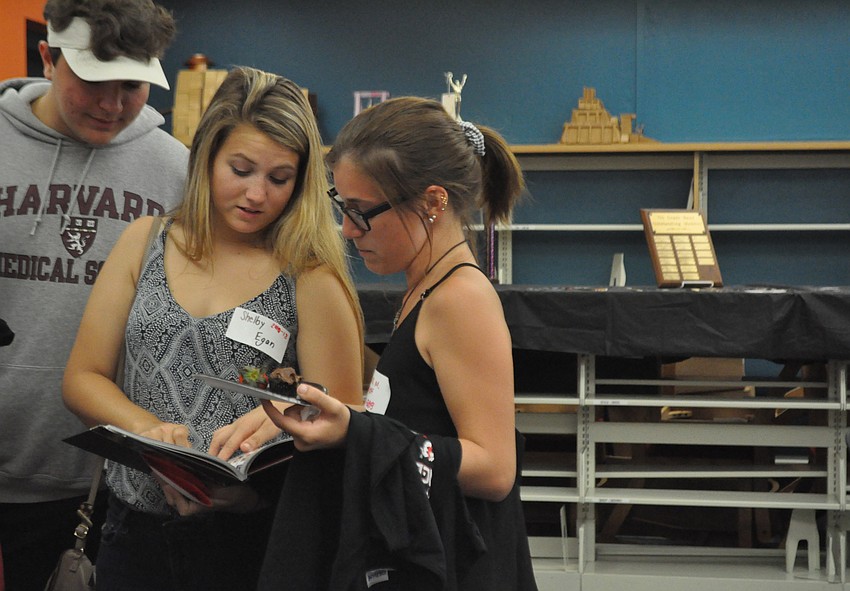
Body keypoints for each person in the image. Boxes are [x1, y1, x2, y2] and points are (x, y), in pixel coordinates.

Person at [62, 65, 364, 591]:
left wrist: (280, 422)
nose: (256, 195)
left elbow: (348, 412)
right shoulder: (145, 241)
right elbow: (83, 377)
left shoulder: (309, 272)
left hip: (255, 535)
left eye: (278, 178)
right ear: (205, 158)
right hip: (133, 532)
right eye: (240, 169)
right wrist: (149, 431)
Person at [258, 97, 538, 590]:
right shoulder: (424, 286)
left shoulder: (460, 300)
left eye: (362, 213)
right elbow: (415, 422)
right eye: (342, 208)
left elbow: (495, 470)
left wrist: (355, 433)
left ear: (433, 202)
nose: (347, 230)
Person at [0, 1, 187, 589]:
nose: (112, 105)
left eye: (131, 86)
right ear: (47, 58)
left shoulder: (176, 170)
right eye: (94, 82)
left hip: (112, 478)